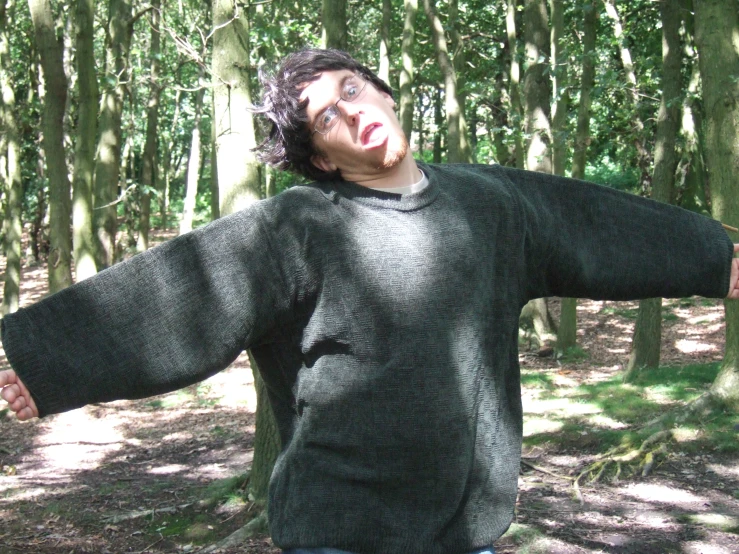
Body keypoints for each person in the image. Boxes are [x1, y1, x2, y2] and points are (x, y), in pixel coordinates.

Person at [1, 48, 738, 554]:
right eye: (325, 117)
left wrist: (714, 256)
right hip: (337, 524)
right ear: (322, 157)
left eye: (351, 90)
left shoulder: (492, 202)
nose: (350, 113)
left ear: (380, 92)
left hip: (466, 524)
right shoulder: (299, 224)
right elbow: (186, 291)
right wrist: (48, 361)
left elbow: (594, 228)